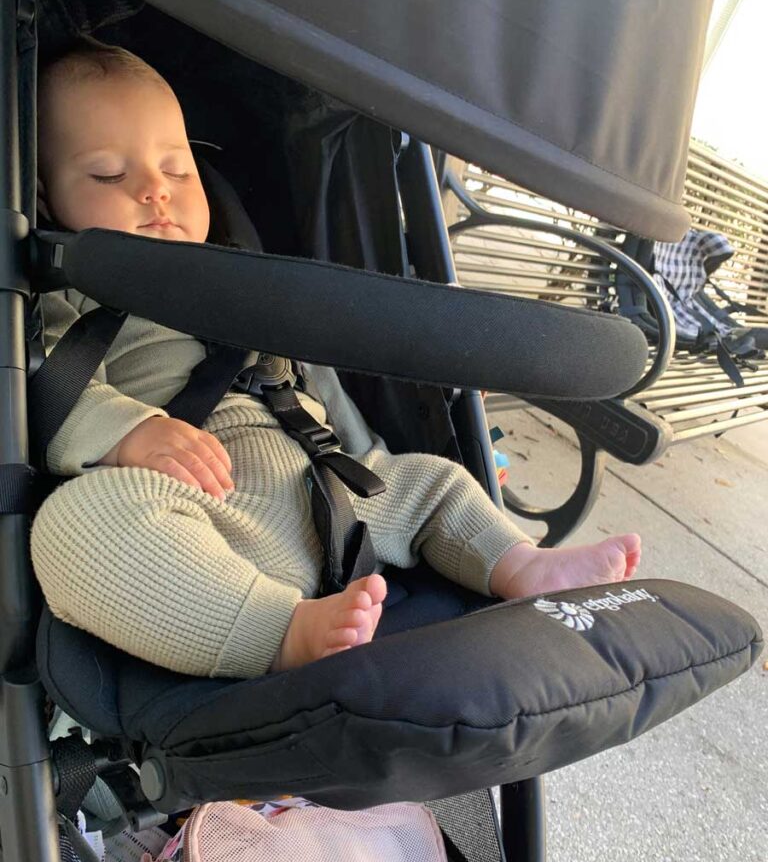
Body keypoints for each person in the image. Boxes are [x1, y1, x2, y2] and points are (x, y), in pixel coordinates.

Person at [30, 43, 642, 679]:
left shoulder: (244, 272)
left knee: (435, 481)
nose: (155, 191)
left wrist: (376, 445)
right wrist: (128, 431)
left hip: (336, 489)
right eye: (107, 175)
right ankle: (279, 632)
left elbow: (322, 381)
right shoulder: (68, 290)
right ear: (46, 200)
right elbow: (44, 377)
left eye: (178, 171)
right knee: (74, 526)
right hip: (203, 516)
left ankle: (522, 565)